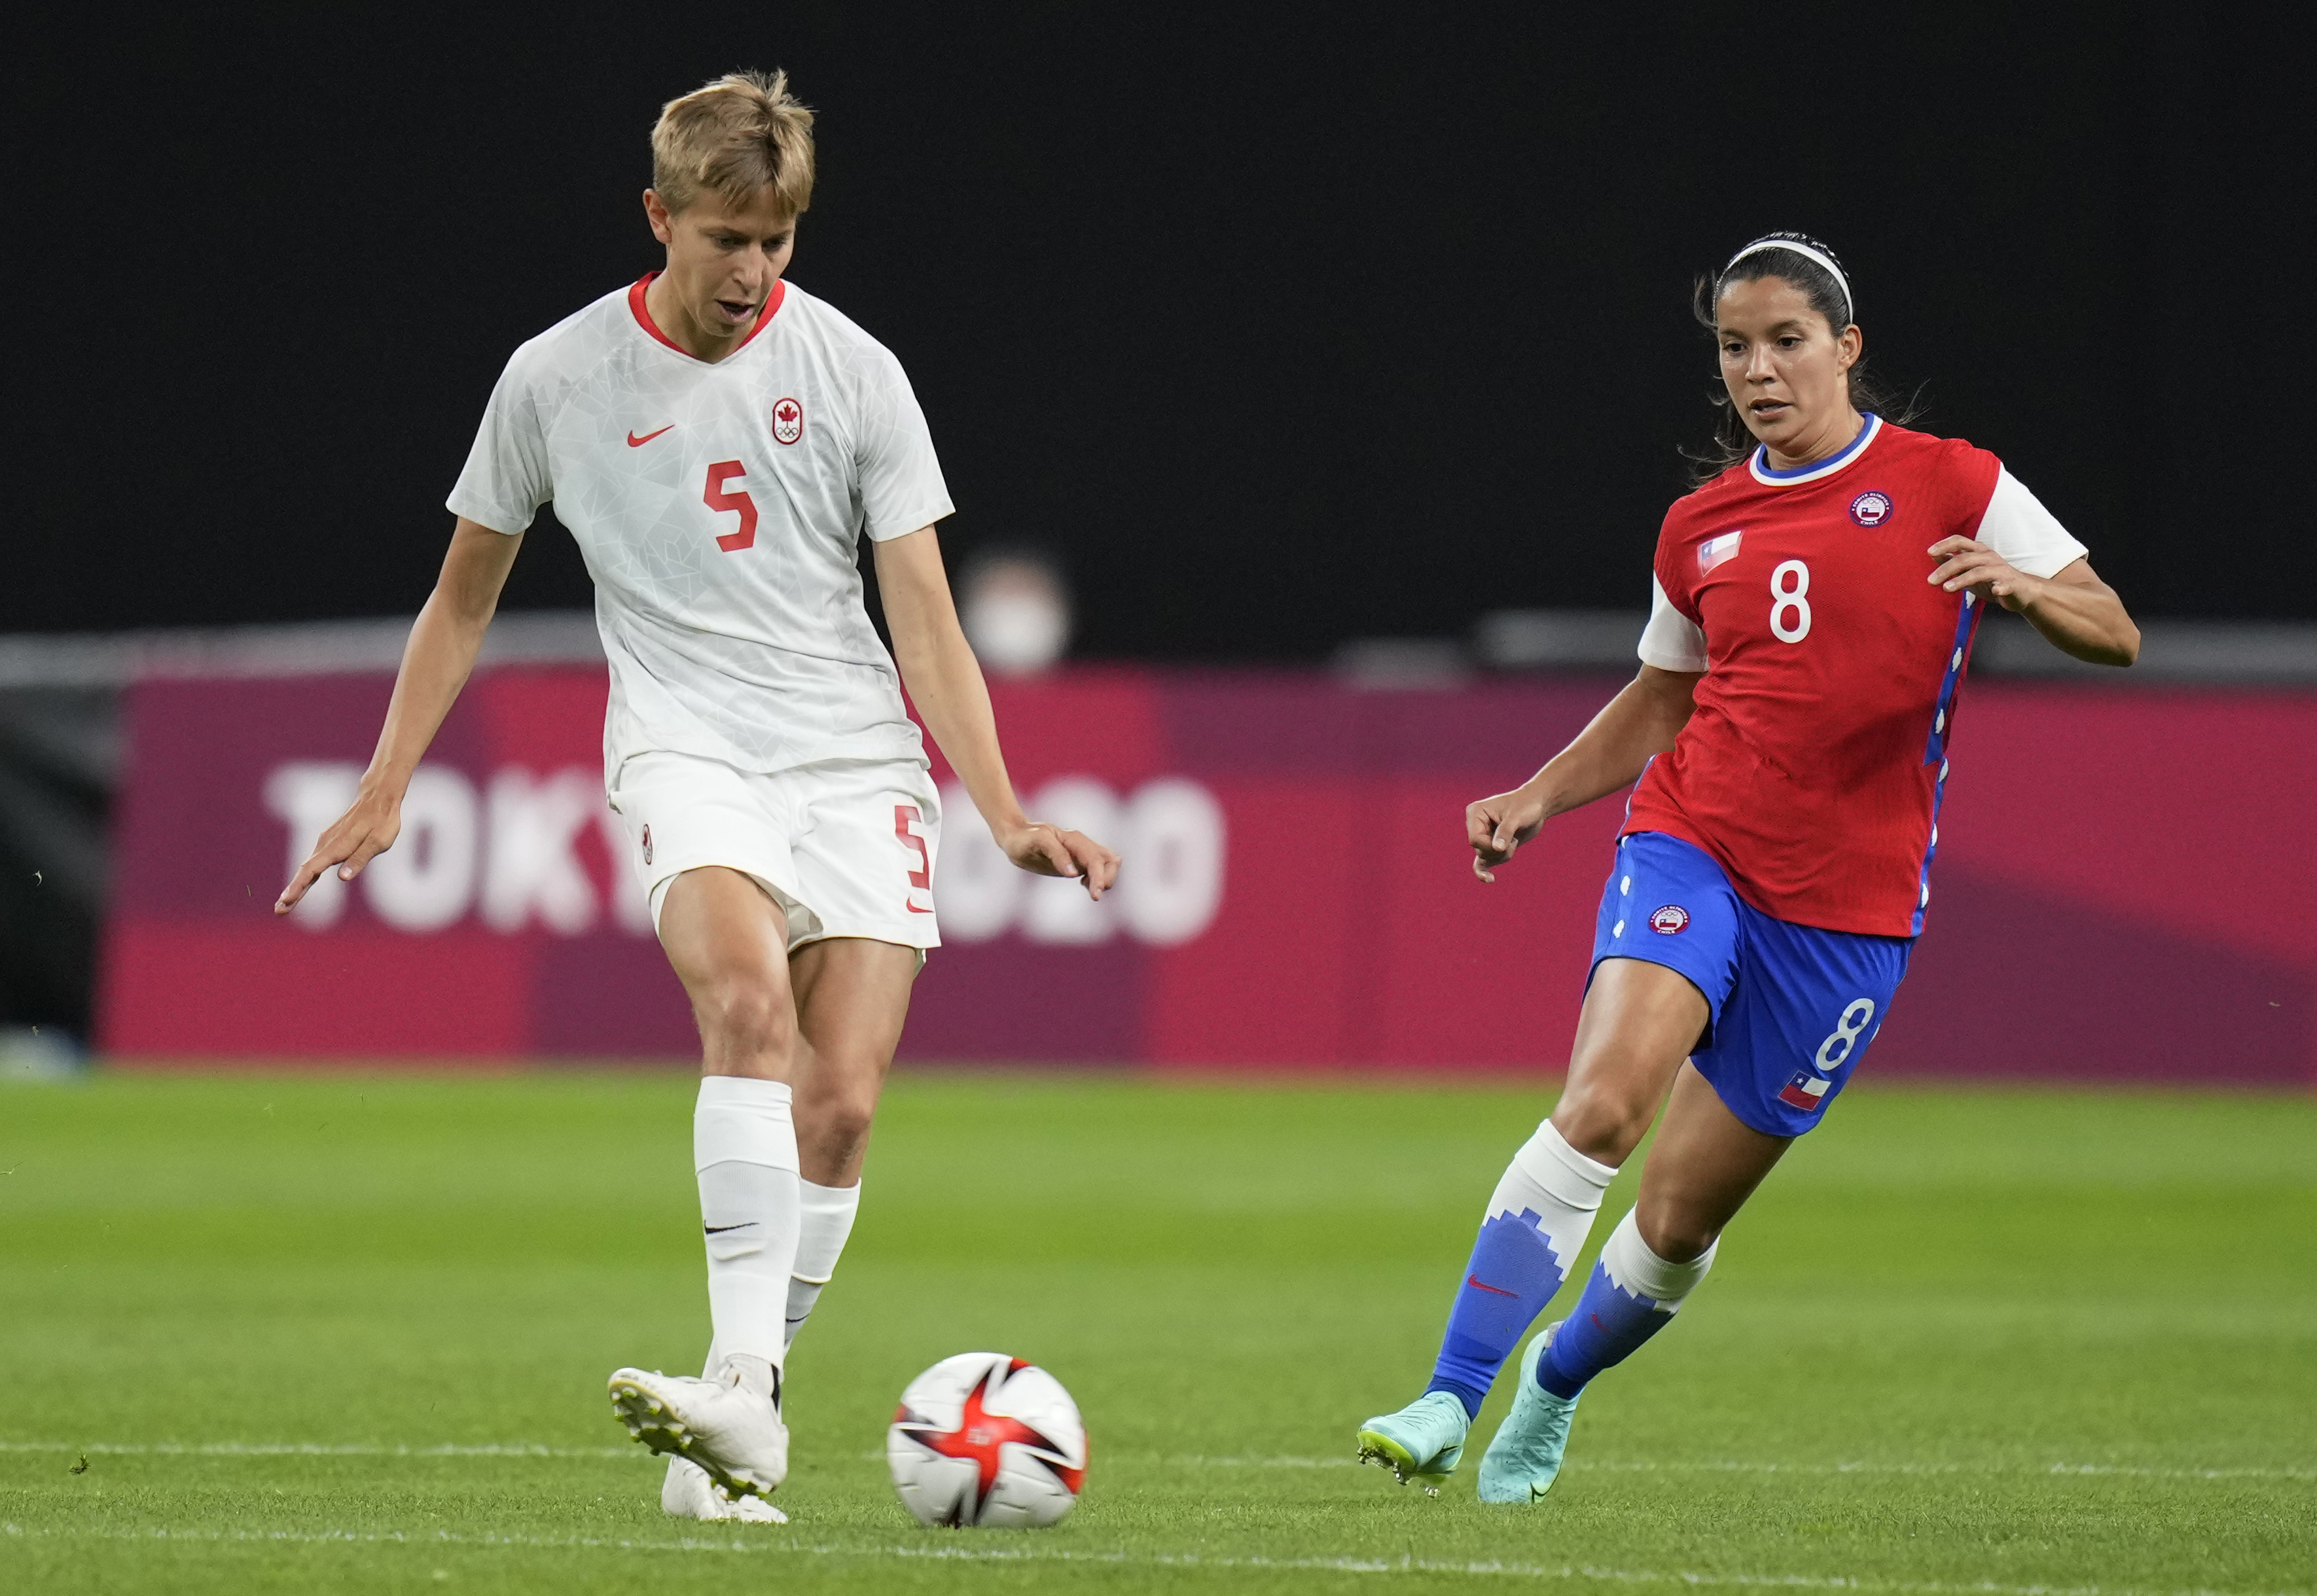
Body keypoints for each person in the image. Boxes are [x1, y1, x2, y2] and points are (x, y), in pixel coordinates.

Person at [274, 71, 1118, 1523]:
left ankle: (737, 1421)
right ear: (659, 216)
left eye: (778, 241)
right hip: (686, 744)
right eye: (727, 237)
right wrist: (386, 779)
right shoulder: (555, 377)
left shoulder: (858, 370)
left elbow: (923, 618)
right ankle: (741, 1389)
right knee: (749, 1012)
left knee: (840, 1107)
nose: (753, 272)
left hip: (855, 757)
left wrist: (1003, 807)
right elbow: (461, 598)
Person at [1355, 232, 2138, 1502]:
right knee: (1605, 1100)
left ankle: (1550, 1385)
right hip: (1696, 840)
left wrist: (2027, 590)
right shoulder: (1700, 526)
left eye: (1785, 340)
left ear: (1847, 345)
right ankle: (1447, 1392)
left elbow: (2117, 624)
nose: (1760, 370)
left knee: (1675, 1225)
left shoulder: (1954, 483)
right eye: (1734, 347)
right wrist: (1538, 794)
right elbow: (1666, 696)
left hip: (1850, 914)